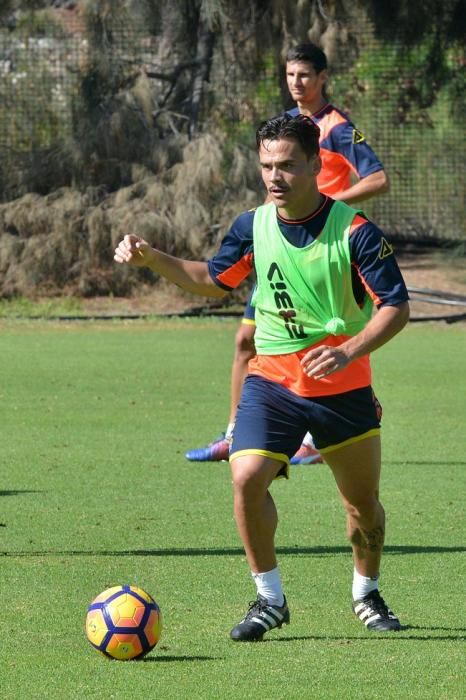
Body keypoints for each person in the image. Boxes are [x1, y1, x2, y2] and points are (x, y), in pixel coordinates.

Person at [114, 113, 410, 639]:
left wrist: (348, 350)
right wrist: (152, 257)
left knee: (361, 505)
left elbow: (396, 306)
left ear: (317, 164)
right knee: (247, 476)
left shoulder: (356, 232)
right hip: (271, 381)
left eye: (288, 166)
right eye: (267, 165)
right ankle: (269, 599)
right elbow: (212, 279)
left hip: (342, 387)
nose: (276, 177)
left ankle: (366, 594)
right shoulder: (252, 225)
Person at [186, 42, 389, 465]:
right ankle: (235, 433)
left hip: (320, 249)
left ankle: (324, 429)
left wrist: (328, 204)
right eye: (290, 74)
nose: (296, 83)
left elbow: (378, 179)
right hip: (279, 244)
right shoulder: (288, 125)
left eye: (304, 75)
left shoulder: (336, 127)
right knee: (246, 339)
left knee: (323, 338)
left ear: (322, 78)